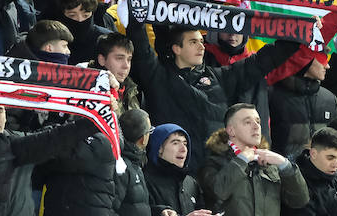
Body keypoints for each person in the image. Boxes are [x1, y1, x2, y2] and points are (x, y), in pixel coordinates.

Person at [127, 17, 302, 174]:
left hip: (216, 176)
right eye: (193, 42)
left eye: (202, 41)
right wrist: (136, 18)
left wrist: (298, 33)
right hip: (174, 176)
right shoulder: (158, 77)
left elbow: (262, 61)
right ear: (177, 49)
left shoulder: (221, 77)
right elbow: (141, 50)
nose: (202, 47)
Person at [200, 103, 309, 216]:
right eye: (248, 122)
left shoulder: (269, 164)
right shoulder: (214, 162)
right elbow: (218, 192)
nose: (256, 126)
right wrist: (242, 160)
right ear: (231, 131)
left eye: (258, 121)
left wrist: (285, 165)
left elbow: (299, 200)